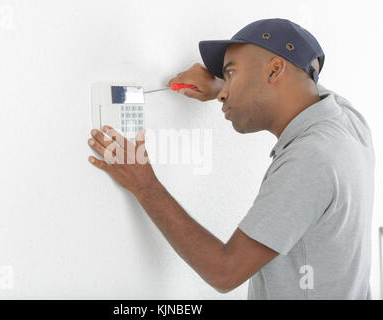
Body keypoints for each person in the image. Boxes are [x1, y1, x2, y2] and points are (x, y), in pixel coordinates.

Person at [87, 18, 375, 299]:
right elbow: (305, 82)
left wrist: (144, 184)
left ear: (275, 71)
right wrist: (225, 86)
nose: (223, 91)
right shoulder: (346, 120)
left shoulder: (311, 158)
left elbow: (224, 272)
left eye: (232, 72)